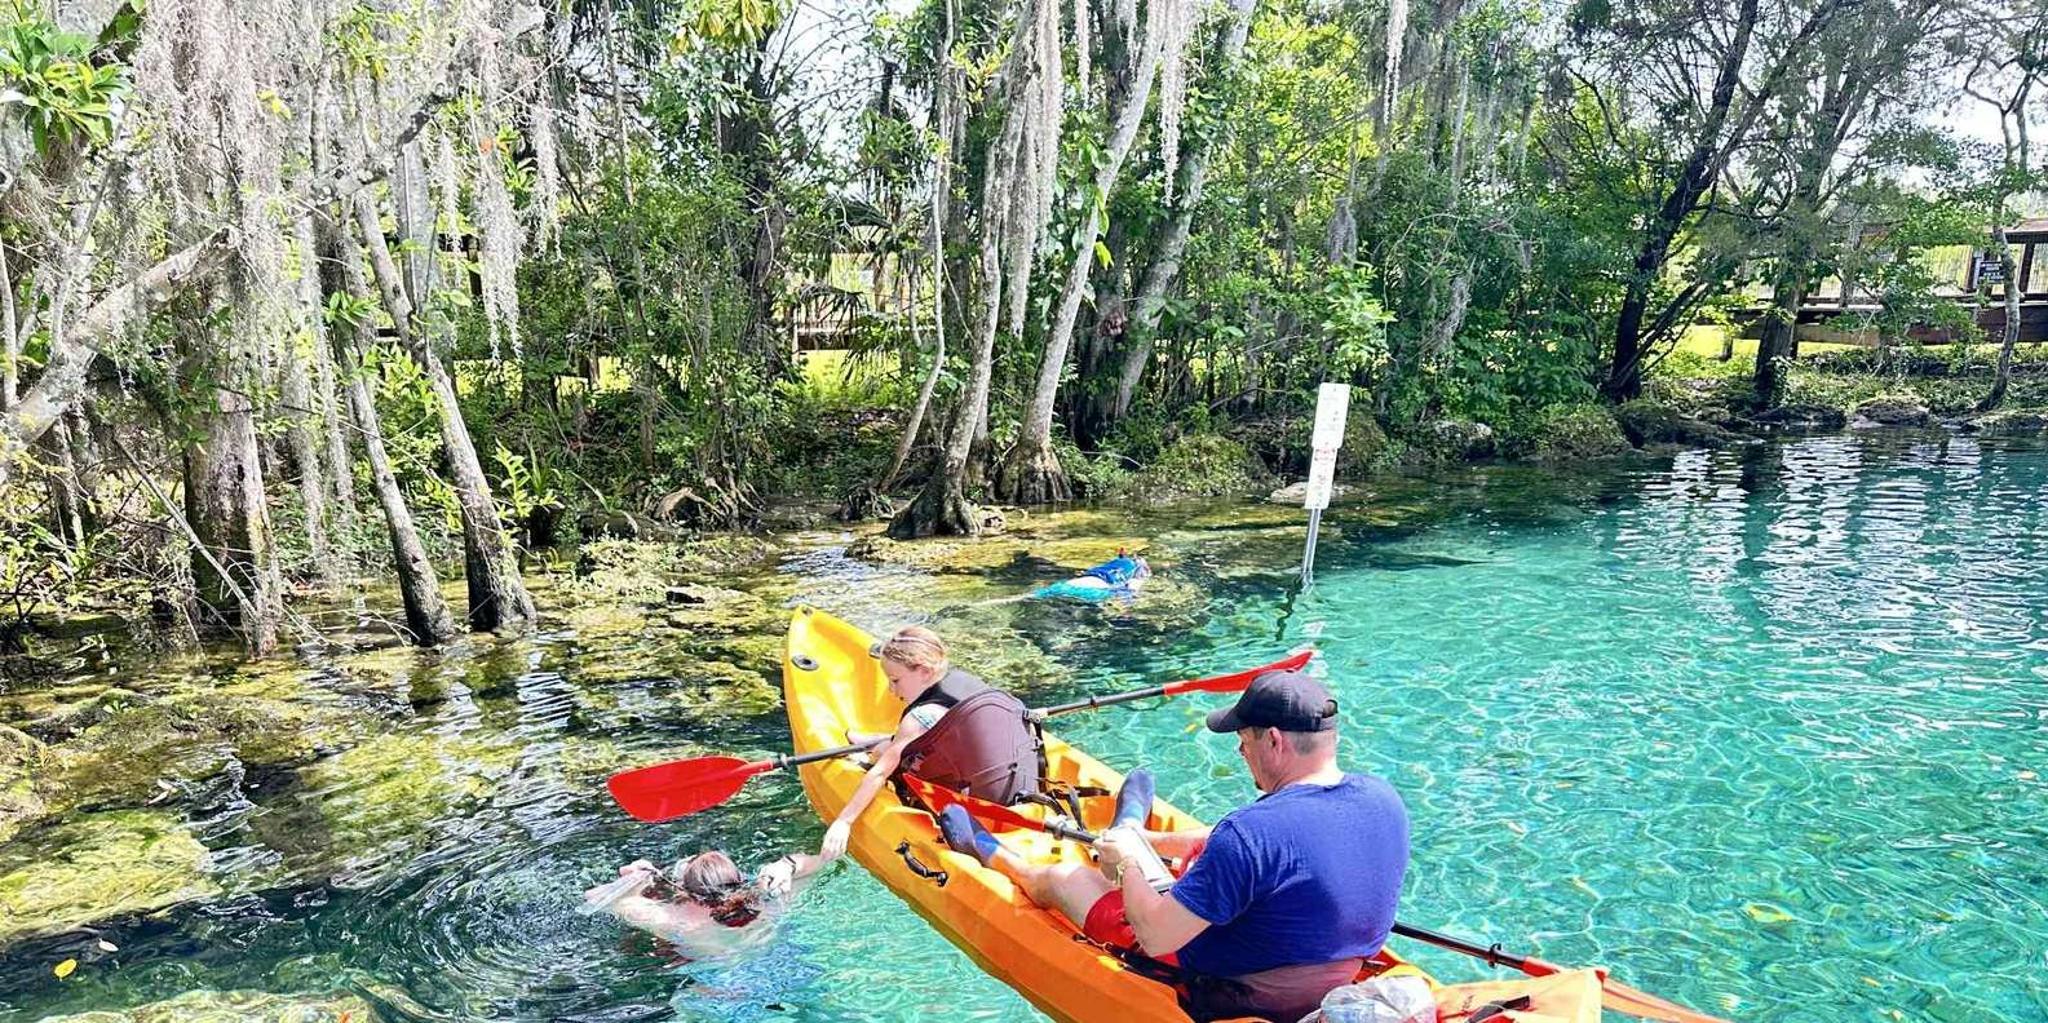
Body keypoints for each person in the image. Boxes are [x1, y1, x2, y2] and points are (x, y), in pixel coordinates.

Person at [936, 669, 1408, 1023]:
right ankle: (1136, 832)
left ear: (1276, 742)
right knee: (1213, 846)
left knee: (1069, 878)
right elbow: (1280, 850)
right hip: (1333, 967)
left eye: (1243, 741)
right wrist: (1146, 848)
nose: (1241, 752)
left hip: (1233, 984)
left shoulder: (1252, 833)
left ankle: (997, 854)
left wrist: (1126, 869)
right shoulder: (1382, 798)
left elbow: (1157, 937)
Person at [821, 626, 1040, 861]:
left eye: (895, 680)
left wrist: (844, 821)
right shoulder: (965, 684)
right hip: (1015, 787)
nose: (891, 689)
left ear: (924, 671)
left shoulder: (919, 718)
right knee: (900, 744)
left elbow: (879, 774)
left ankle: (874, 747)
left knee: (888, 753)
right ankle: (882, 741)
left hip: (974, 802)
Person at [583, 848, 829, 959]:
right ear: (740, 880)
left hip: (722, 993)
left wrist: (635, 876)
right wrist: (786, 864)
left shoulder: (672, 919)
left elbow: (596, 899)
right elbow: (824, 860)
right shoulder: (771, 900)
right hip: (788, 970)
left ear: (687, 891)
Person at [1034, 550, 1153, 602]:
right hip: (1096, 590)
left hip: (1071, 583)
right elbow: (1132, 589)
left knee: (1033, 596)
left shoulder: (1116, 563)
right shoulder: (1138, 570)